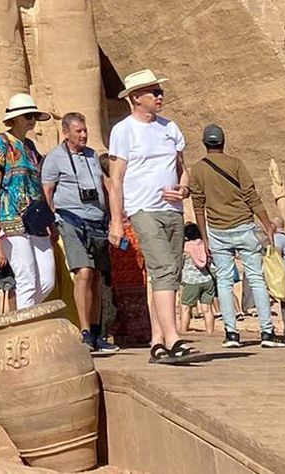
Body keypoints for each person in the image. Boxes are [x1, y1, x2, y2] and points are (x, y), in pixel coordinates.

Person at [107, 69, 191, 364]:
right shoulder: (124, 130)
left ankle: (157, 341)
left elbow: (182, 168)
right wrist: (117, 220)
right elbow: (115, 179)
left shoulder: (170, 127)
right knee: (164, 268)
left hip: (172, 209)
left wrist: (183, 189)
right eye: (153, 92)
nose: (159, 96)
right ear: (134, 98)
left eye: (159, 91)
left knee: (166, 275)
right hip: (143, 208)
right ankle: (173, 337)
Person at [187, 123, 279, 347]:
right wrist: (266, 223)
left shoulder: (197, 169)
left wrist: (204, 235)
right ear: (223, 141)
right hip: (243, 225)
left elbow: (198, 205)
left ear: (204, 144)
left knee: (225, 283)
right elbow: (251, 195)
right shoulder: (235, 164)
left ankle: (231, 334)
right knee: (256, 279)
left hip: (217, 230)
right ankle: (266, 332)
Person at [42, 112, 118, 353]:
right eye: (78, 131)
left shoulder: (92, 156)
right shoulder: (54, 158)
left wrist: (114, 217)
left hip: (96, 221)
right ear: (66, 133)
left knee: (96, 276)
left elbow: (105, 186)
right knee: (83, 272)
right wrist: (51, 220)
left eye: (85, 130)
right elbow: (48, 191)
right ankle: (84, 330)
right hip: (70, 219)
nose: (83, 135)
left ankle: (96, 332)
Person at [0, 94, 57, 312]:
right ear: (14, 118)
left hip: (35, 219)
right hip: (10, 217)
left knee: (46, 280)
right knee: (27, 278)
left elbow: (38, 185)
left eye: (33, 115)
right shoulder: (0, 142)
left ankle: (24, 317)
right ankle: (27, 332)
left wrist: (50, 220)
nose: (32, 120)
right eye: (27, 115)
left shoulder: (30, 147)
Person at [178, 223, 217, 336]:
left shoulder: (185, 248)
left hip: (191, 281)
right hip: (207, 280)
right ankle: (210, 333)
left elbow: (180, 264)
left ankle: (183, 332)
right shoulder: (204, 245)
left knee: (186, 307)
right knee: (207, 308)